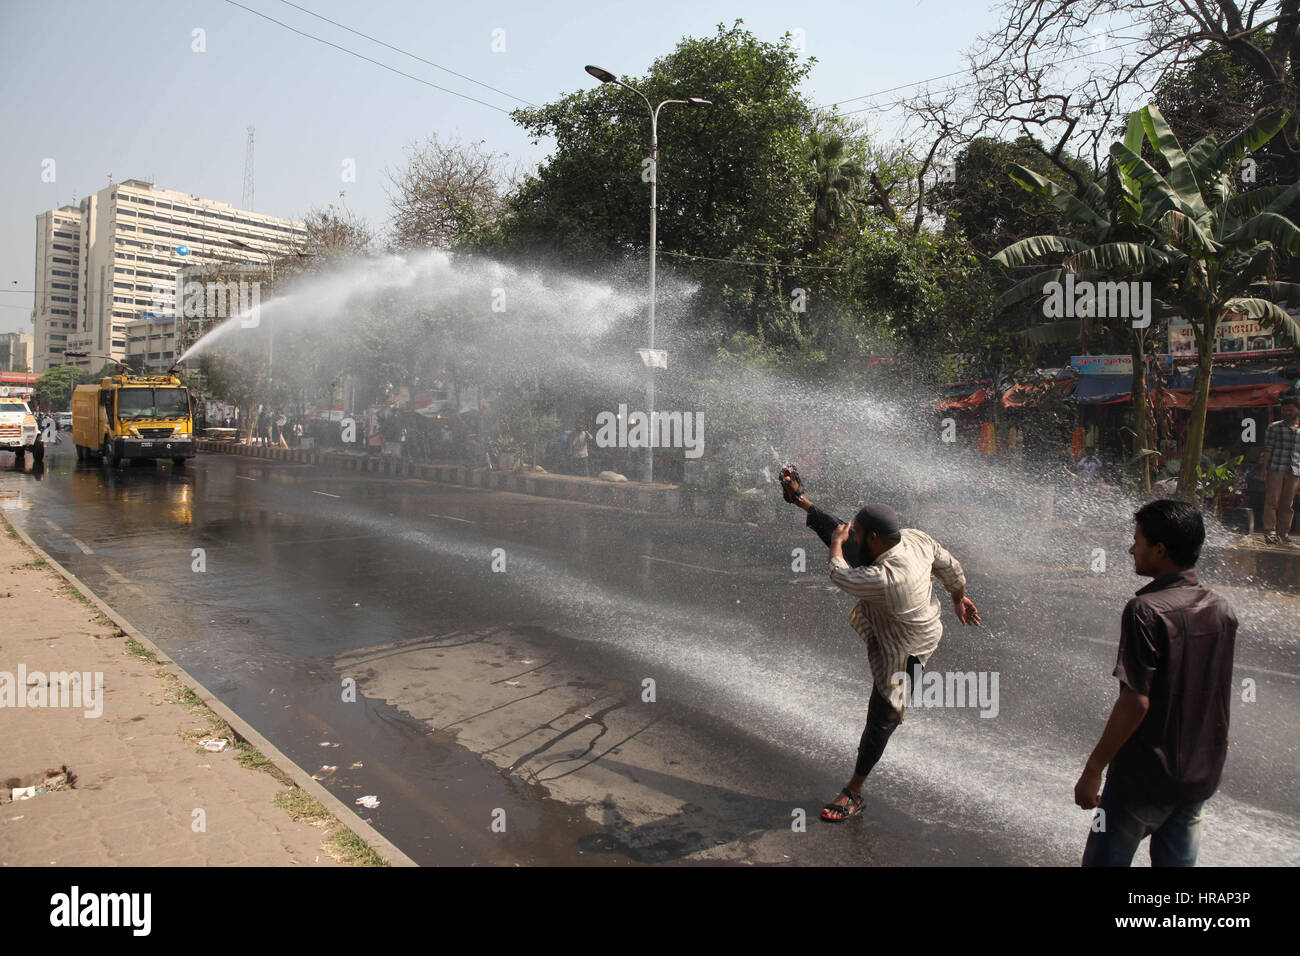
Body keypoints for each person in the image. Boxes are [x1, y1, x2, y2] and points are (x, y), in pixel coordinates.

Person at [779, 466, 981, 821]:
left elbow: (839, 572)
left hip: (907, 648)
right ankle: (800, 499)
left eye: (858, 533)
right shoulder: (912, 538)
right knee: (842, 533)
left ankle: (853, 792)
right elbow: (952, 567)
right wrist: (958, 597)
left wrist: (840, 543)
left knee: (883, 716)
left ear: (874, 537)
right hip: (903, 613)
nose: (852, 535)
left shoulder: (885, 578)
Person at [1075, 499, 1237, 867]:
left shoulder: (1145, 611)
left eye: (1138, 540)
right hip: (1196, 780)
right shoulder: (1221, 609)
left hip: (1138, 783)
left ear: (1160, 550)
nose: (1132, 548)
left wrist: (1093, 769)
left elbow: (1136, 701)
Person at [1259, 395, 1300, 546]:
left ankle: (1284, 534)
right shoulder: (1274, 427)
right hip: (1276, 468)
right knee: (1272, 501)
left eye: (1290, 410)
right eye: (1284, 410)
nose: (1287, 413)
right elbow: (1267, 449)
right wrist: (1264, 469)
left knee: (1287, 504)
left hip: (1294, 470)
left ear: (1298, 410)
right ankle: (1269, 532)